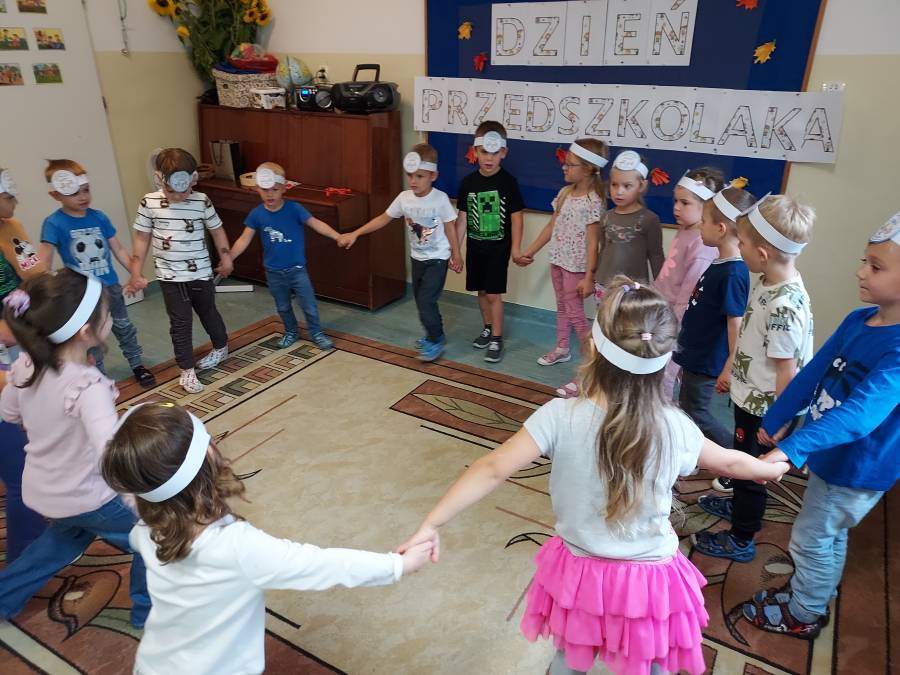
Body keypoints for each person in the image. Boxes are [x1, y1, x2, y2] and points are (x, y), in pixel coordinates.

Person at [398, 277, 789, 675]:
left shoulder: (559, 416)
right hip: (648, 579)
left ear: (593, 347)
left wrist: (432, 523)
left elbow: (491, 468)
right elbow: (731, 463)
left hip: (581, 571)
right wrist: (770, 468)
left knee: (571, 658)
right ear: (665, 357)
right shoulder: (677, 427)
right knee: (650, 659)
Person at [101, 401, 433, 675]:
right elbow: (322, 564)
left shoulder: (147, 527)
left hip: (153, 664)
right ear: (209, 457)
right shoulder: (237, 547)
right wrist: (398, 565)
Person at [741, 214, 900, 639]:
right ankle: (816, 590)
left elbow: (861, 415)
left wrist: (795, 446)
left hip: (855, 468)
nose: (861, 272)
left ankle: (804, 611)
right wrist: (779, 417)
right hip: (830, 456)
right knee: (827, 533)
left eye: (876, 267)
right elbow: (813, 373)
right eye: (865, 261)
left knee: (811, 538)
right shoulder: (858, 320)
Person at [0, 268, 150, 628]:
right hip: (91, 496)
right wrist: (141, 504)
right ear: (85, 332)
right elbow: (110, 453)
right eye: (107, 314)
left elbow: (8, 411)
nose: (111, 318)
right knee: (155, 540)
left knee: (58, 545)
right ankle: (148, 612)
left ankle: (3, 597)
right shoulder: (87, 386)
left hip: (47, 492)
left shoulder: (26, 364)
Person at [692, 194, 815, 562]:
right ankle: (741, 509)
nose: (738, 246)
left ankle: (742, 537)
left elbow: (786, 372)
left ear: (762, 252)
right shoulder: (771, 281)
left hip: (766, 412)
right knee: (742, 459)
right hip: (754, 399)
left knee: (752, 472)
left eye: (742, 242)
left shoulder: (782, 306)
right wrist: (735, 370)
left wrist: (778, 424)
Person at [39, 158, 156, 387]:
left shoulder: (99, 217)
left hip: (110, 288)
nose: (83, 197)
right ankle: (98, 376)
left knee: (124, 327)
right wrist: (46, 285)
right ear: (55, 195)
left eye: (86, 190)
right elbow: (45, 259)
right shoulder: (53, 223)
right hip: (82, 296)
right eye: (75, 193)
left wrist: (135, 274)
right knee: (89, 337)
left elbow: (118, 249)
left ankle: (137, 364)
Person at [338, 145, 460, 361]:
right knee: (421, 301)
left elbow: (451, 226)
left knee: (426, 300)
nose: (413, 181)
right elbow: (383, 218)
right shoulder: (404, 198)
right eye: (410, 175)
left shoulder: (440, 199)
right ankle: (434, 333)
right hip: (417, 258)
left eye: (420, 176)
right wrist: (356, 233)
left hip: (438, 258)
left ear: (433, 176)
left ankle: (435, 339)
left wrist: (456, 254)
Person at [128, 148, 233, 394]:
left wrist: (226, 258)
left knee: (208, 312)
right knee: (180, 324)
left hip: (201, 274)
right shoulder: (149, 202)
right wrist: (135, 272)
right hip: (169, 277)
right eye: (172, 190)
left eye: (185, 189)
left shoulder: (201, 200)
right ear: (160, 179)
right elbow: (142, 238)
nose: (179, 196)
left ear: (193, 179)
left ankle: (221, 347)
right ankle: (186, 369)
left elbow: (217, 230)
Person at [674, 185, 754, 451]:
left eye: (704, 221)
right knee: (687, 408)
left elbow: (735, 322)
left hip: (707, 360)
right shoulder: (721, 263)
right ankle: (693, 455)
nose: (700, 226)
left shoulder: (733, 272)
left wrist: (730, 364)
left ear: (720, 229)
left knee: (696, 413)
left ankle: (734, 455)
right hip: (696, 353)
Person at [229, 162, 338, 351]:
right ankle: (290, 332)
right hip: (273, 272)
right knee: (283, 306)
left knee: (309, 305)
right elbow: (244, 239)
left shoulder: (295, 209)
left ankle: (316, 333)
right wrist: (229, 257)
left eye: (275, 189)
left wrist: (337, 236)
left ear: (284, 188)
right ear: (257, 189)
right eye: (265, 190)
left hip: (297, 270)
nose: (270, 194)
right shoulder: (257, 214)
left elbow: (316, 223)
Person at [518, 138, 607, 369]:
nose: (564, 167)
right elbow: (551, 226)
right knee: (562, 307)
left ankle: (593, 361)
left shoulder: (593, 202)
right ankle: (562, 348)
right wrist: (530, 251)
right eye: (565, 163)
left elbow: (593, 243)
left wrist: (589, 276)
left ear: (588, 169)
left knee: (575, 313)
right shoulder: (565, 193)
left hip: (576, 267)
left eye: (570, 164)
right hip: (557, 260)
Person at [0, 166, 47, 562]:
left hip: (15, 328)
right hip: (7, 340)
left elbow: (32, 269)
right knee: (20, 468)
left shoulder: (11, 225)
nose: (15, 201)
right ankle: (26, 561)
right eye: (8, 195)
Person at [455, 121, 525, 363]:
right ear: (475, 151)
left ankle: (497, 337)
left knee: (494, 294)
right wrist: (456, 251)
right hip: (475, 248)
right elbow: (462, 220)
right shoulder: (468, 183)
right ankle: (487, 327)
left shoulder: (508, 182)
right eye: (484, 151)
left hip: (498, 250)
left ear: (503, 152)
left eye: (494, 153)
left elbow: (517, 218)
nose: (489, 158)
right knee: (482, 291)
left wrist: (515, 248)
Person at [654, 168, 724, 399]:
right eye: (676, 201)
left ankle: (663, 409)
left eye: (685, 203)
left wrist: (675, 328)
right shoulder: (686, 230)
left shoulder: (702, 246)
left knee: (666, 372)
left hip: (677, 322)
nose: (676, 208)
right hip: (663, 313)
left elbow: (688, 295)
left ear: (706, 207)